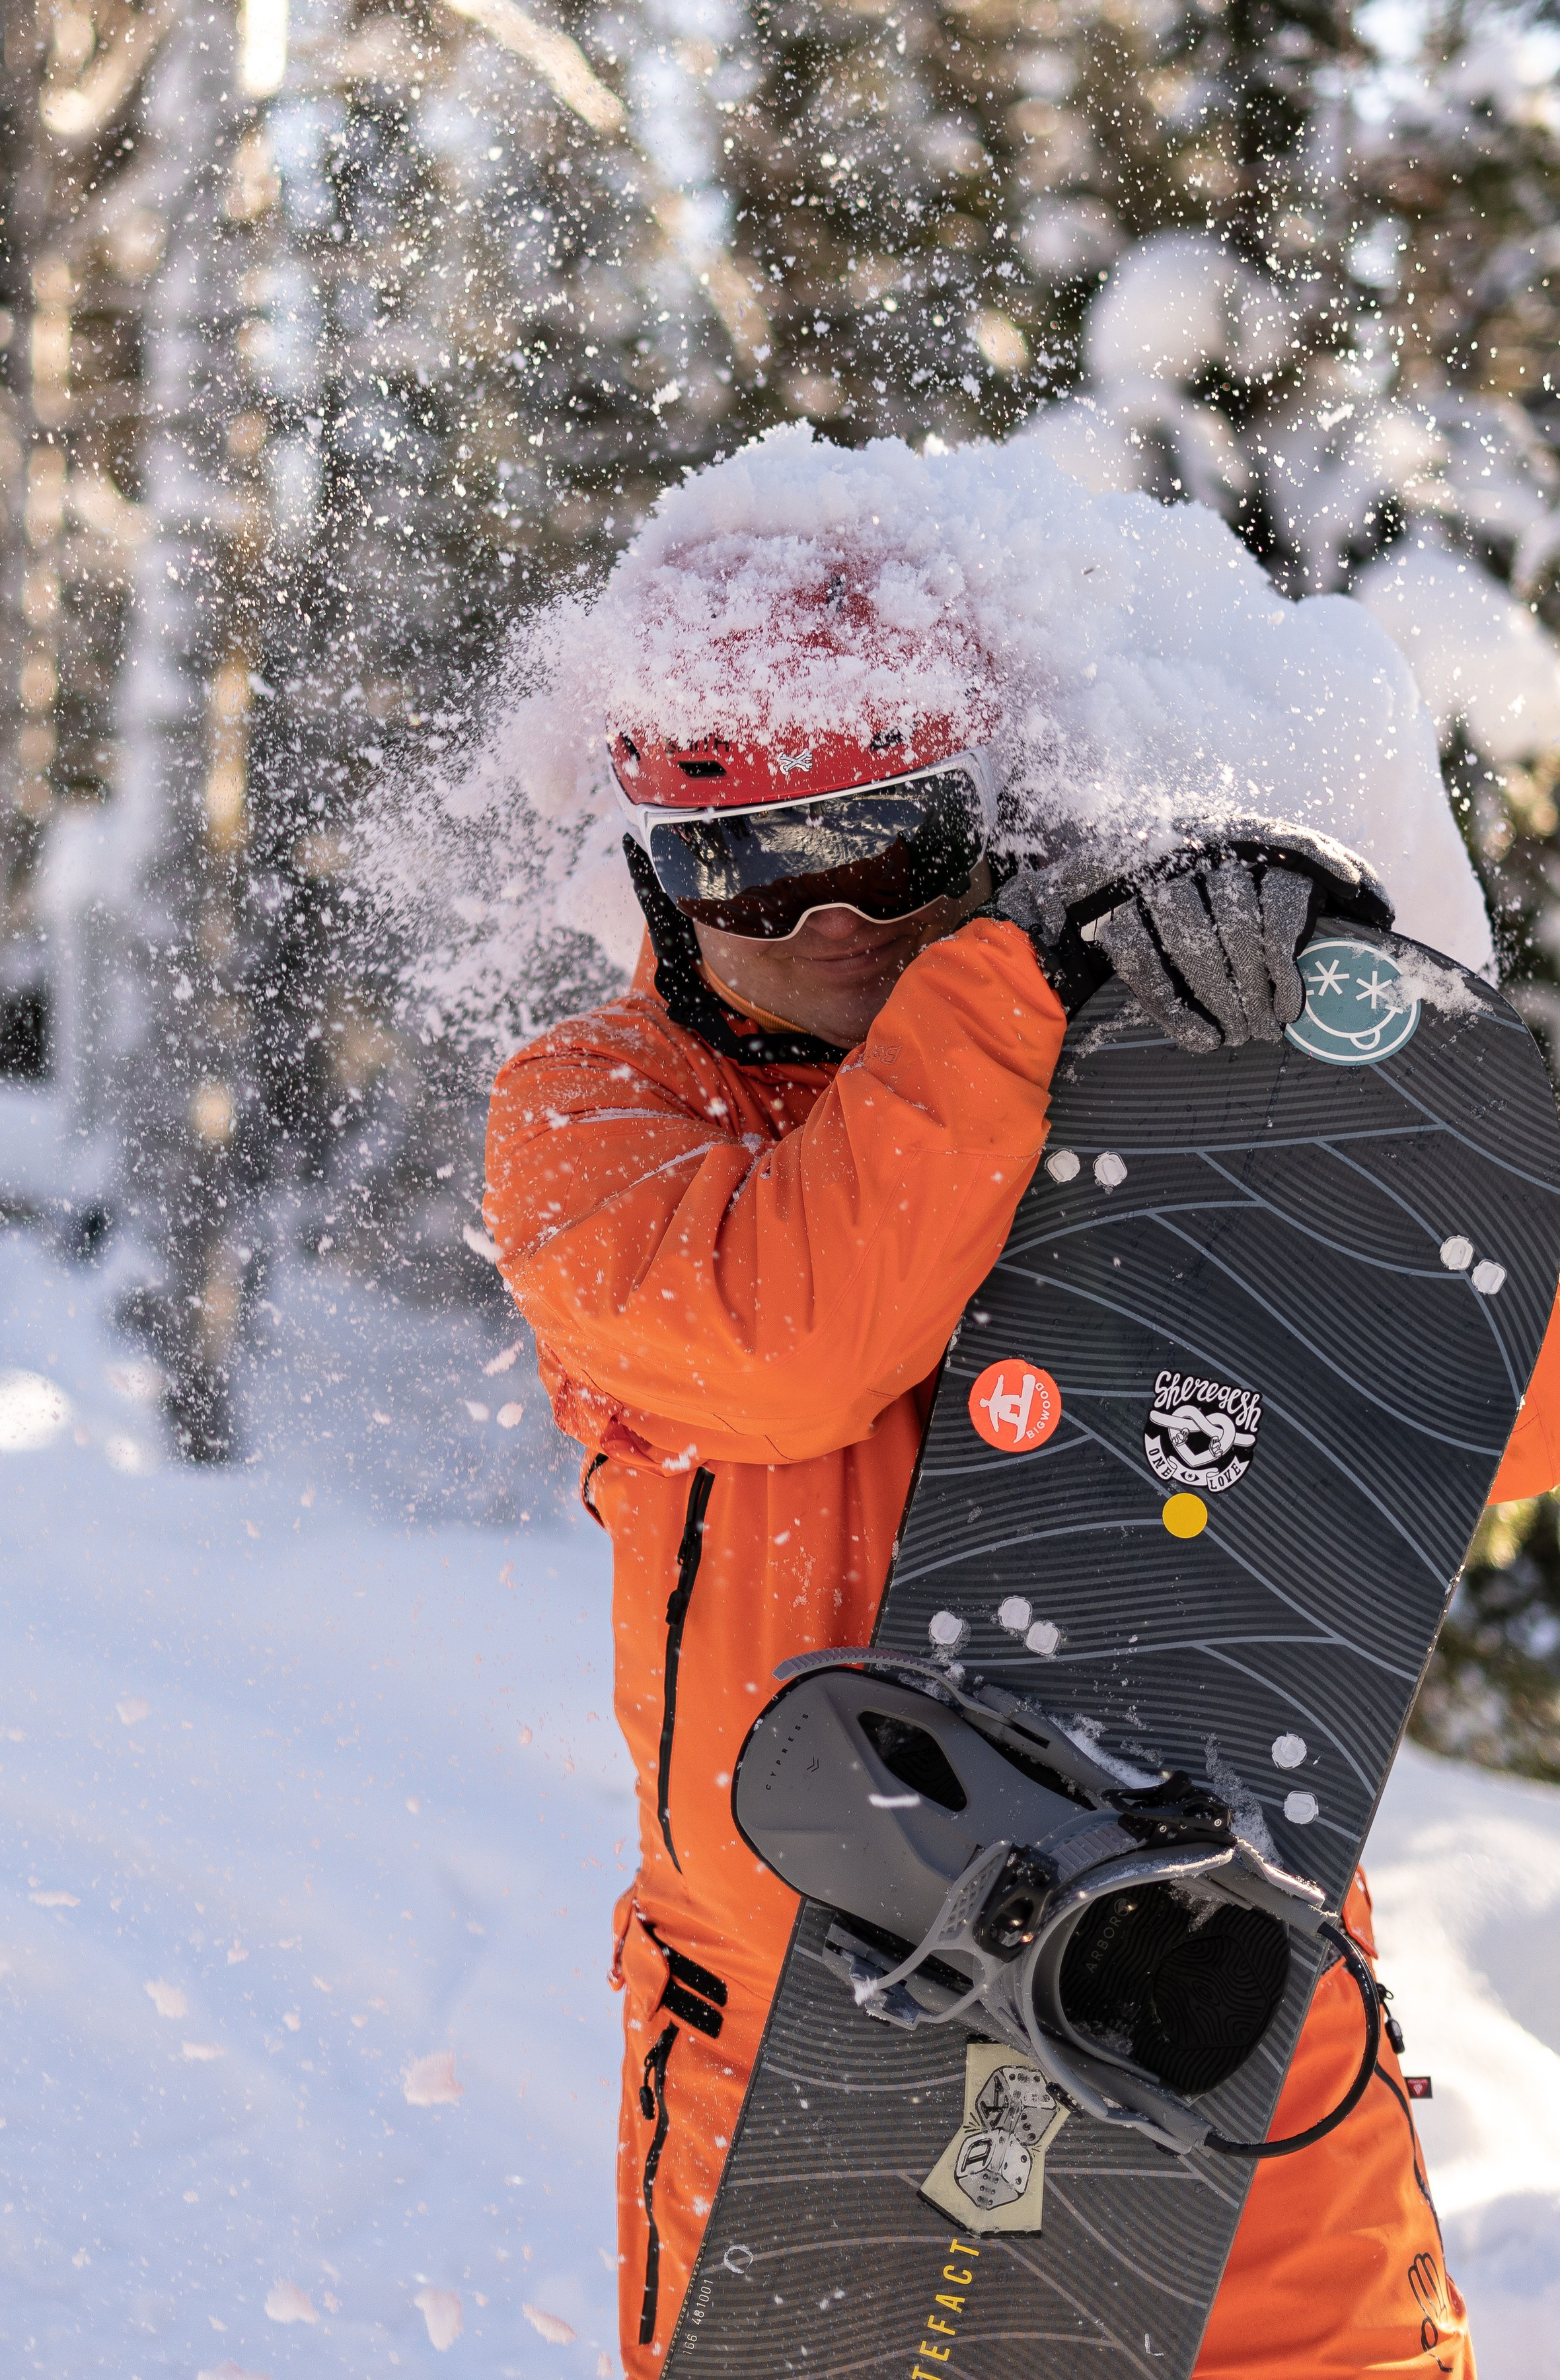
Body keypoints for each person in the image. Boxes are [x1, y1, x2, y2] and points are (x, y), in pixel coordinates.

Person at [482, 526, 1560, 2380]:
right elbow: (787, 1336)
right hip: (803, 2050)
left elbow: (1494, 1413)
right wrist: (1025, 983)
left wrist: (1336, 1071)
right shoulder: (599, 1115)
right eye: (748, 869)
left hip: (1224, 2002)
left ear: (978, 821)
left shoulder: (1165, 1081)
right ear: (659, 886)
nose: (827, 916)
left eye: (881, 849)